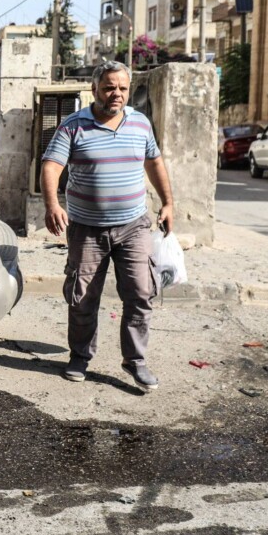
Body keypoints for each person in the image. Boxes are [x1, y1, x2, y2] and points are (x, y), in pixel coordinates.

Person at [40, 60, 173, 391]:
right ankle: (80, 356)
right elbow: (51, 165)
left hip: (134, 225)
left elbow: (154, 161)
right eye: (110, 87)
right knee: (82, 296)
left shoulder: (141, 124)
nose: (117, 93)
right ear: (95, 89)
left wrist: (169, 202)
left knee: (141, 292)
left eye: (123, 88)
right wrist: (52, 204)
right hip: (87, 227)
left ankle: (135, 360)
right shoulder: (73, 126)